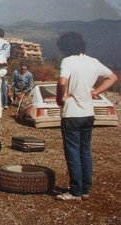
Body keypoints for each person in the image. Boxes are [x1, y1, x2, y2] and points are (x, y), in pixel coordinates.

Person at [55, 32, 117, 201]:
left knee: (73, 152)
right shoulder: (93, 62)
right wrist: (96, 92)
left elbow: (61, 82)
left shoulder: (68, 61)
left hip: (71, 113)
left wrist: (59, 98)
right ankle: (85, 188)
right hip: (88, 113)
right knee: (85, 151)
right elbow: (112, 77)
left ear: (65, 47)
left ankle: (75, 190)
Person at [0, 28, 11, 109]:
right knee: (3, 84)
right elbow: (7, 56)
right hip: (4, 64)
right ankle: (5, 103)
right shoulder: (7, 44)